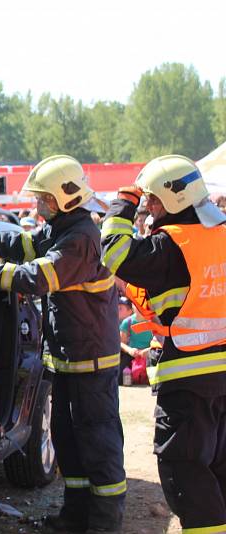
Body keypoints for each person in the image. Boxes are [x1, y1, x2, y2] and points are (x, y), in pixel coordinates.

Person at [0, 155, 125, 533]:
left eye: (42, 199)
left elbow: (34, 278)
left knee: (100, 449)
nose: (37, 205)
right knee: (69, 444)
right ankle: (75, 519)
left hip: (92, 365)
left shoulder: (81, 240)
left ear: (60, 199)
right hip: (69, 362)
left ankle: (104, 526)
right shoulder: (61, 228)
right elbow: (17, 244)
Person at [101, 155, 226, 532]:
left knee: (184, 468)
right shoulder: (219, 235)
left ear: (174, 200)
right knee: (219, 467)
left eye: (153, 200)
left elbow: (114, 253)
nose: (148, 208)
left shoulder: (171, 246)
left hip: (187, 376)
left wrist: (123, 200)